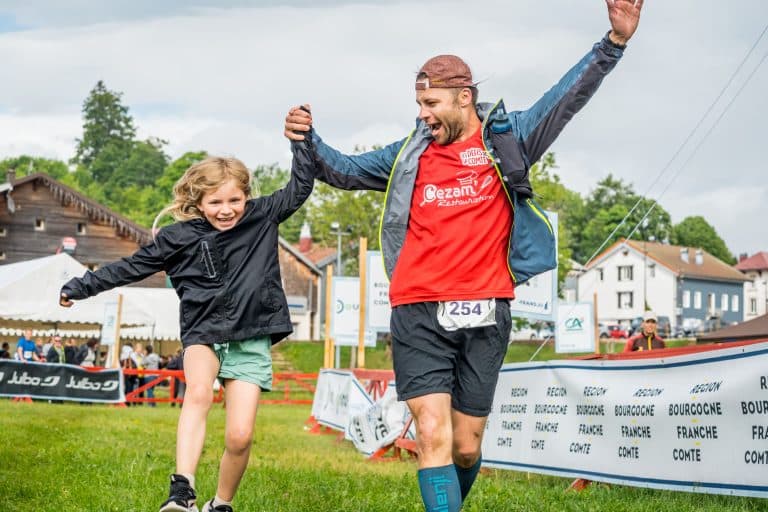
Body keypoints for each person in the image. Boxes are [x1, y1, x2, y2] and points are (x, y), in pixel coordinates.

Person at [283, 3, 643, 510]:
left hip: (487, 309)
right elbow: (341, 169)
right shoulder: (409, 152)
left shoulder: (508, 137)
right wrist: (308, 138)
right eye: (418, 103)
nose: (423, 113)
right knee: (432, 434)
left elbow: (566, 99)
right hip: (417, 309)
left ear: (464, 97)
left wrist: (613, 43)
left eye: (431, 103)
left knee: (467, 444)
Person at [59, 137, 315, 512]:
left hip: (250, 335)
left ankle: (221, 504)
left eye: (234, 200)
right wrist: (81, 287)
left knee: (241, 436)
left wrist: (302, 142)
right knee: (198, 393)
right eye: (215, 202)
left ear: (246, 197)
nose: (226, 210)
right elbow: (129, 267)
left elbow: (300, 186)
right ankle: (183, 490)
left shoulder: (263, 216)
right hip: (203, 330)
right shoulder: (177, 238)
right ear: (198, 203)